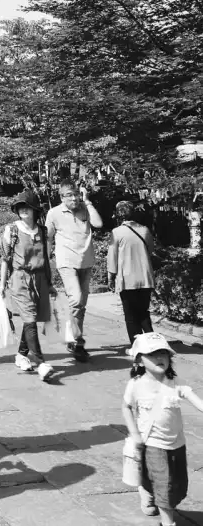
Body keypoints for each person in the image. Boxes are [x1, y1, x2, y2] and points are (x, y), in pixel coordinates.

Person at [122, 333, 203, 525]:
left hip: (177, 444)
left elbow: (198, 402)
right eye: (152, 354)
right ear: (139, 361)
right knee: (165, 485)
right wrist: (134, 433)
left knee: (178, 485)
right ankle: (168, 522)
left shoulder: (176, 383)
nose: (159, 358)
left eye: (163, 353)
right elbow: (126, 407)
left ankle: (146, 489)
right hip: (152, 444)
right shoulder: (135, 385)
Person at [0, 190, 56, 382]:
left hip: (39, 279)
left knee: (31, 318)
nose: (23, 210)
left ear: (34, 210)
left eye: (27, 207)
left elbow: (46, 259)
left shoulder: (42, 231)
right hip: (20, 279)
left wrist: (50, 282)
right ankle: (40, 362)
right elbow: (5, 259)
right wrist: (1, 285)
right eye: (20, 207)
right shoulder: (12, 230)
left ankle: (22, 354)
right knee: (30, 318)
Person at [45, 181, 103, 362]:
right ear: (61, 197)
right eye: (69, 194)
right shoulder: (54, 213)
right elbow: (48, 239)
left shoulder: (85, 209)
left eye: (76, 194)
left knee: (80, 305)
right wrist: (46, 263)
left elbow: (98, 224)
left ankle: (73, 338)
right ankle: (77, 340)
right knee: (76, 299)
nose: (73, 197)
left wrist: (88, 201)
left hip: (86, 262)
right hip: (67, 262)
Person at [108, 200, 156, 351]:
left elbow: (112, 258)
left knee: (130, 315)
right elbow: (150, 251)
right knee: (143, 312)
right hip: (145, 278)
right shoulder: (145, 230)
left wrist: (110, 277)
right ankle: (152, 343)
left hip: (127, 280)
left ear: (118, 214)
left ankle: (137, 346)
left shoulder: (116, 233)